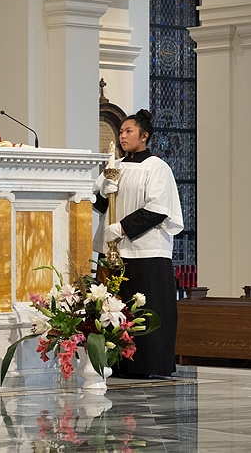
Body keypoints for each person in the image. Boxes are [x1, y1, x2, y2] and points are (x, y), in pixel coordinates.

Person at [92, 109, 183, 378]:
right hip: (115, 253)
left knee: (146, 309)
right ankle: (117, 362)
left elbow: (158, 209)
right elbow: (98, 206)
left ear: (144, 136)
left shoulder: (156, 167)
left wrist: (121, 228)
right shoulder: (115, 166)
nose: (123, 136)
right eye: (121, 131)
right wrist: (101, 191)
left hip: (146, 251)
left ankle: (150, 364)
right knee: (114, 310)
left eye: (129, 131)